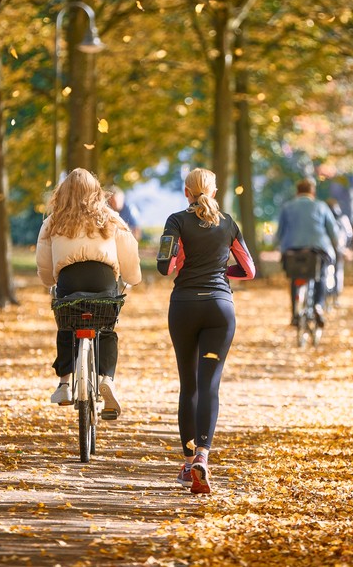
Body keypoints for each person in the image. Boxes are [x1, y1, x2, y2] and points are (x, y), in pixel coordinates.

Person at [157, 168, 255, 494]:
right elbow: (249, 269)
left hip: (184, 307)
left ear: (186, 192)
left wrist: (184, 261)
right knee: (209, 385)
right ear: (213, 192)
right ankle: (202, 456)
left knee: (189, 386)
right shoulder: (228, 223)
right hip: (219, 310)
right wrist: (220, 269)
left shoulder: (175, 221)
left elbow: (164, 266)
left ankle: (187, 465)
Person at [37, 168, 141, 419]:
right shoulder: (110, 217)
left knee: (66, 323)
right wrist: (131, 278)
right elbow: (128, 252)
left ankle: (64, 383)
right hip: (103, 281)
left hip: (69, 282)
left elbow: (43, 261)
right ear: (96, 191)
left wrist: (50, 280)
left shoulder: (53, 221)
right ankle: (107, 378)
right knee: (106, 328)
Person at [276, 177, 342, 326]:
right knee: (321, 275)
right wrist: (336, 244)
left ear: (297, 192)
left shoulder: (287, 207)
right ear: (313, 192)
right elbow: (333, 231)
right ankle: (318, 305)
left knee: (295, 277)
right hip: (317, 249)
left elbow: (280, 232)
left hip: (292, 249)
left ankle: (295, 313)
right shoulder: (321, 206)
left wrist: (278, 245)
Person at [325, 197, 353, 305]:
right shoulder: (343, 218)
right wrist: (347, 247)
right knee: (338, 271)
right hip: (339, 248)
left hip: (326, 248)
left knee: (326, 271)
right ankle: (335, 296)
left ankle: (327, 293)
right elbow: (349, 234)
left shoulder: (324, 217)